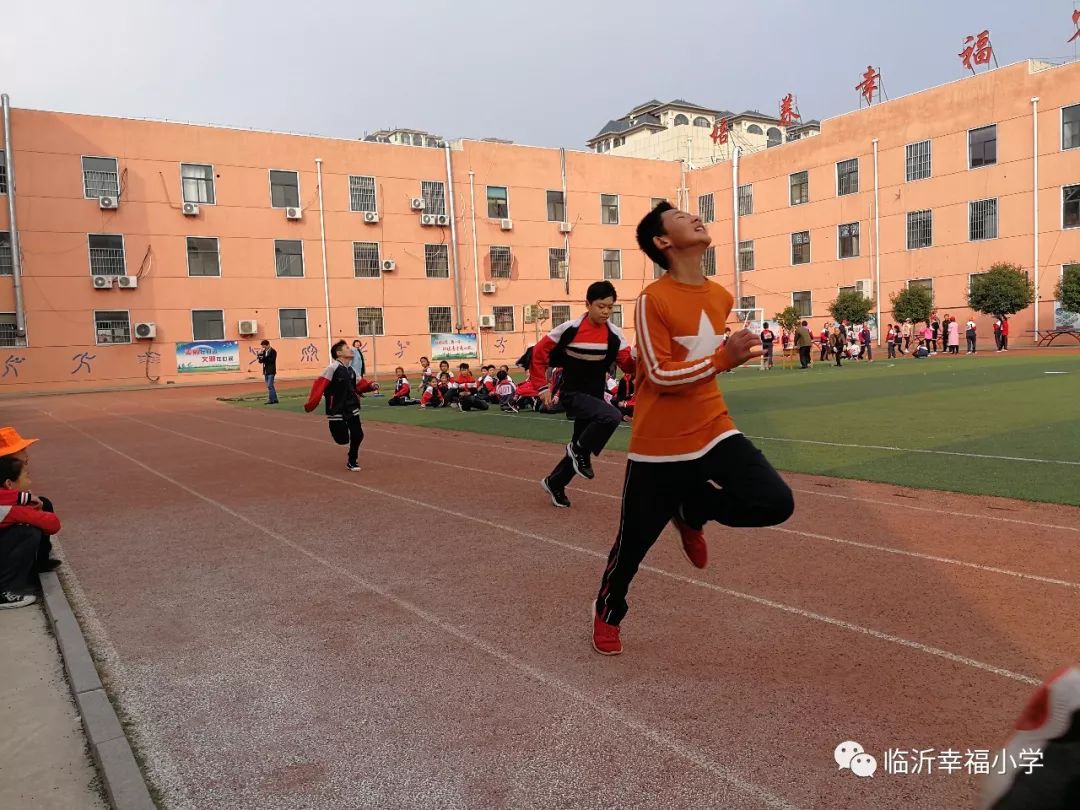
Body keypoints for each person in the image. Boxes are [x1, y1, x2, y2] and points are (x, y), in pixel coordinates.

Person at [592, 202, 793, 655]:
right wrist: (724, 359)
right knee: (631, 549)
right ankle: (608, 611)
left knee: (775, 503)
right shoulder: (652, 300)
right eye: (680, 217)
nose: (694, 217)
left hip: (713, 426)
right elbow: (660, 377)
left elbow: (702, 365)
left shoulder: (720, 295)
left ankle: (691, 507)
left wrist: (729, 356)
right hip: (658, 445)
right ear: (663, 242)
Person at [525, 280, 635, 509]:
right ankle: (576, 452)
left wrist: (639, 356)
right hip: (572, 394)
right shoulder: (569, 329)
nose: (606, 311)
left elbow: (628, 365)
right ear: (588, 304)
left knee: (580, 446)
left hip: (594, 397)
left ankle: (554, 482)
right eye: (600, 306)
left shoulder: (615, 335)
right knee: (611, 417)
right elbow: (538, 353)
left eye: (610, 307)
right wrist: (542, 387)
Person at [0, 430, 63, 609]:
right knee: (27, 532)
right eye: (21, 451)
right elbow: (52, 524)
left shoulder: (7, 493)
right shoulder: (7, 506)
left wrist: (27, 500)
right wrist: (33, 508)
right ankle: (5, 591)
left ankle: (37, 563)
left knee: (40, 508)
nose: (26, 457)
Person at [303, 340, 376, 471]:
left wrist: (370, 386)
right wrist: (311, 403)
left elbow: (360, 384)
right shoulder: (332, 368)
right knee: (342, 439)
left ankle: (352, 460)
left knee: (358, 434)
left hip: (351, 406)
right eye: (347, 348)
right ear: (339, 353)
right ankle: (342, 437)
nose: (351, 350)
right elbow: (319, 385)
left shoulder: (352, 370)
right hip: (336, 408)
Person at [256, 339, 278, 405]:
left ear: (268, 345)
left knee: (269, 385)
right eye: (262, 346)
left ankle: (270, 400)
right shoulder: (264, 352)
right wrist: (259, 356)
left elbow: (271, 360)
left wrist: (264, 357)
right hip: (266, 371)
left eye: (264, 346)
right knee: (271, 386)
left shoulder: (273, 351)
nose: (263, 347)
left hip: (271, 370)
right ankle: (275, 399)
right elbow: (260, 362)